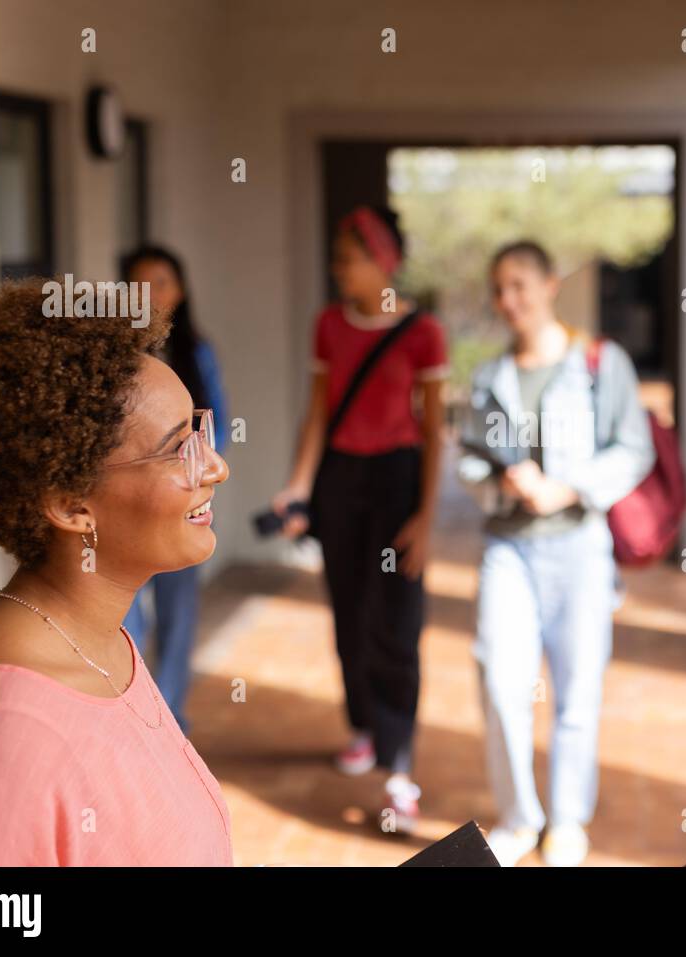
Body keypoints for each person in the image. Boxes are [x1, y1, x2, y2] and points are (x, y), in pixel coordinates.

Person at [0, 278, 233, 865]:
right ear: (72, 503)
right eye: (180, 448)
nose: (217, 467)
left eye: (200, 432)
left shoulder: (100, 646)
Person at [458, 241, 654, 866]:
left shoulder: (601, 362)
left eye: (519, 284)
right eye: (498, 288)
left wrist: (566, 488)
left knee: (576, 690)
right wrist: (497, 484)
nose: (507, 299)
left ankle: (567, 821)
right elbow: (468, 456)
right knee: (500, 680)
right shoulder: (490, 378)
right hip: (508, 548)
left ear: (549, 284)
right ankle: (519, 815)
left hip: (578, 544)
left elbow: (634, 449)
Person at [273, 205, 448, 832]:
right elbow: (317, 413)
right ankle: (362, 727)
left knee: (397, 621)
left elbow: (434, 433)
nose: (336, 270)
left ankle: (399, 763)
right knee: (347, 610)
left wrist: (427, 517)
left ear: (383, 263)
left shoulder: (424, 333)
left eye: (347, 259)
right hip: (341, 484)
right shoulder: (329, 325)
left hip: (397, 483)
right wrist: (298, 489)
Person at [120, 245, 229, 736]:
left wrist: (191, 474)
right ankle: (137, 715)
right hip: (129, 505)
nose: (151, 295)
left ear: (180, 291)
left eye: (161, 283)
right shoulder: (115, 359)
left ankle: (171, 720)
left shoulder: (195, 351)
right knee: (126, 613)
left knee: (178, 610)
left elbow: (217, 425)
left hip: (183, 500)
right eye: (139, 284)